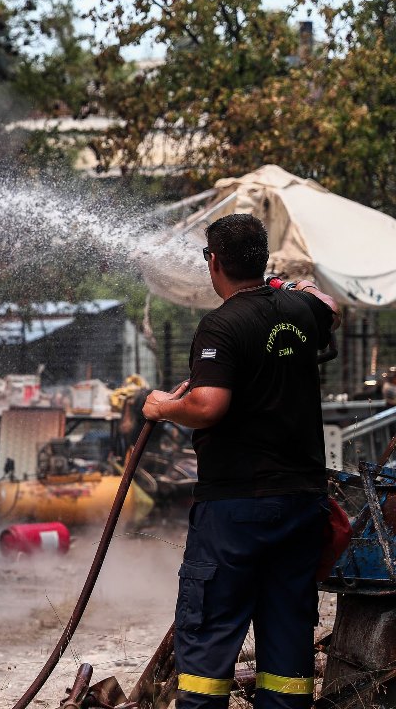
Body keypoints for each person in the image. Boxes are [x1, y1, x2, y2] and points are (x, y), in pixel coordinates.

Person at [142, 213, 341, 709]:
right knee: (287, 630)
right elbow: (328, 305)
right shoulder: (299, 311)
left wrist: (164, 407)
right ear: (264, 259)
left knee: (211, 631)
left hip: (236, 507)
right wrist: (284, 285)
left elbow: (208, 405)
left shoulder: (222, 324)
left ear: (214, 263)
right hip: (300, 504)